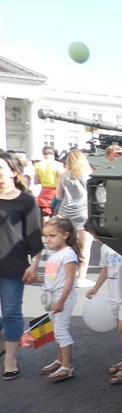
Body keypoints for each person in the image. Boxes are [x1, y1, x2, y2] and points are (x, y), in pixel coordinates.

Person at [0, 151, 44, 380]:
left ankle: (10, 359)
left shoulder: (26, 201)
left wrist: (34, 264)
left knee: (11, 312)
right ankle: (4, 340)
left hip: (12, 266)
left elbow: (34, 237)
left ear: (13, 172)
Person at [86, 245, 122, 384]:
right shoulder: (105, 247)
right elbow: (106, 268)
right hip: (113, 295)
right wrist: (96, 287)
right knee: (120, 328)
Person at [37, 215, 80, 381]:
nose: (48, 239)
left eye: (52, 235)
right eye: (46, 236)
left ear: (65, 235)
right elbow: (52, 277)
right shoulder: (55, 254)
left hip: (64, 298)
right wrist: (35, 278)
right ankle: (61, 360)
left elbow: (70, 280)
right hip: (53, 297)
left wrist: (61, 301)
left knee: (61, 330)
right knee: (56, 330)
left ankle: (67, 367)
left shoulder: (68, 254)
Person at [56, 149, 94, 287]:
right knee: (85, 246)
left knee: (67, 245)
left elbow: (59, 196)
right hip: (84, 212)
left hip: (65, 213)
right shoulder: (89, 174)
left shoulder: (63, 175)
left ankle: (65, 274)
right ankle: (81, 278)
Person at [34, 145, 63, 226]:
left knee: (45, 214)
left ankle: (46, 232)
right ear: (53, 154)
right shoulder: (58, 164)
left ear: (43, 154)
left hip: (44, 192)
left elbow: (36, 181)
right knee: (58, 213)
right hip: (56, 190)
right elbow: (61, 177)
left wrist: (44, 180)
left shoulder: (38, 165)